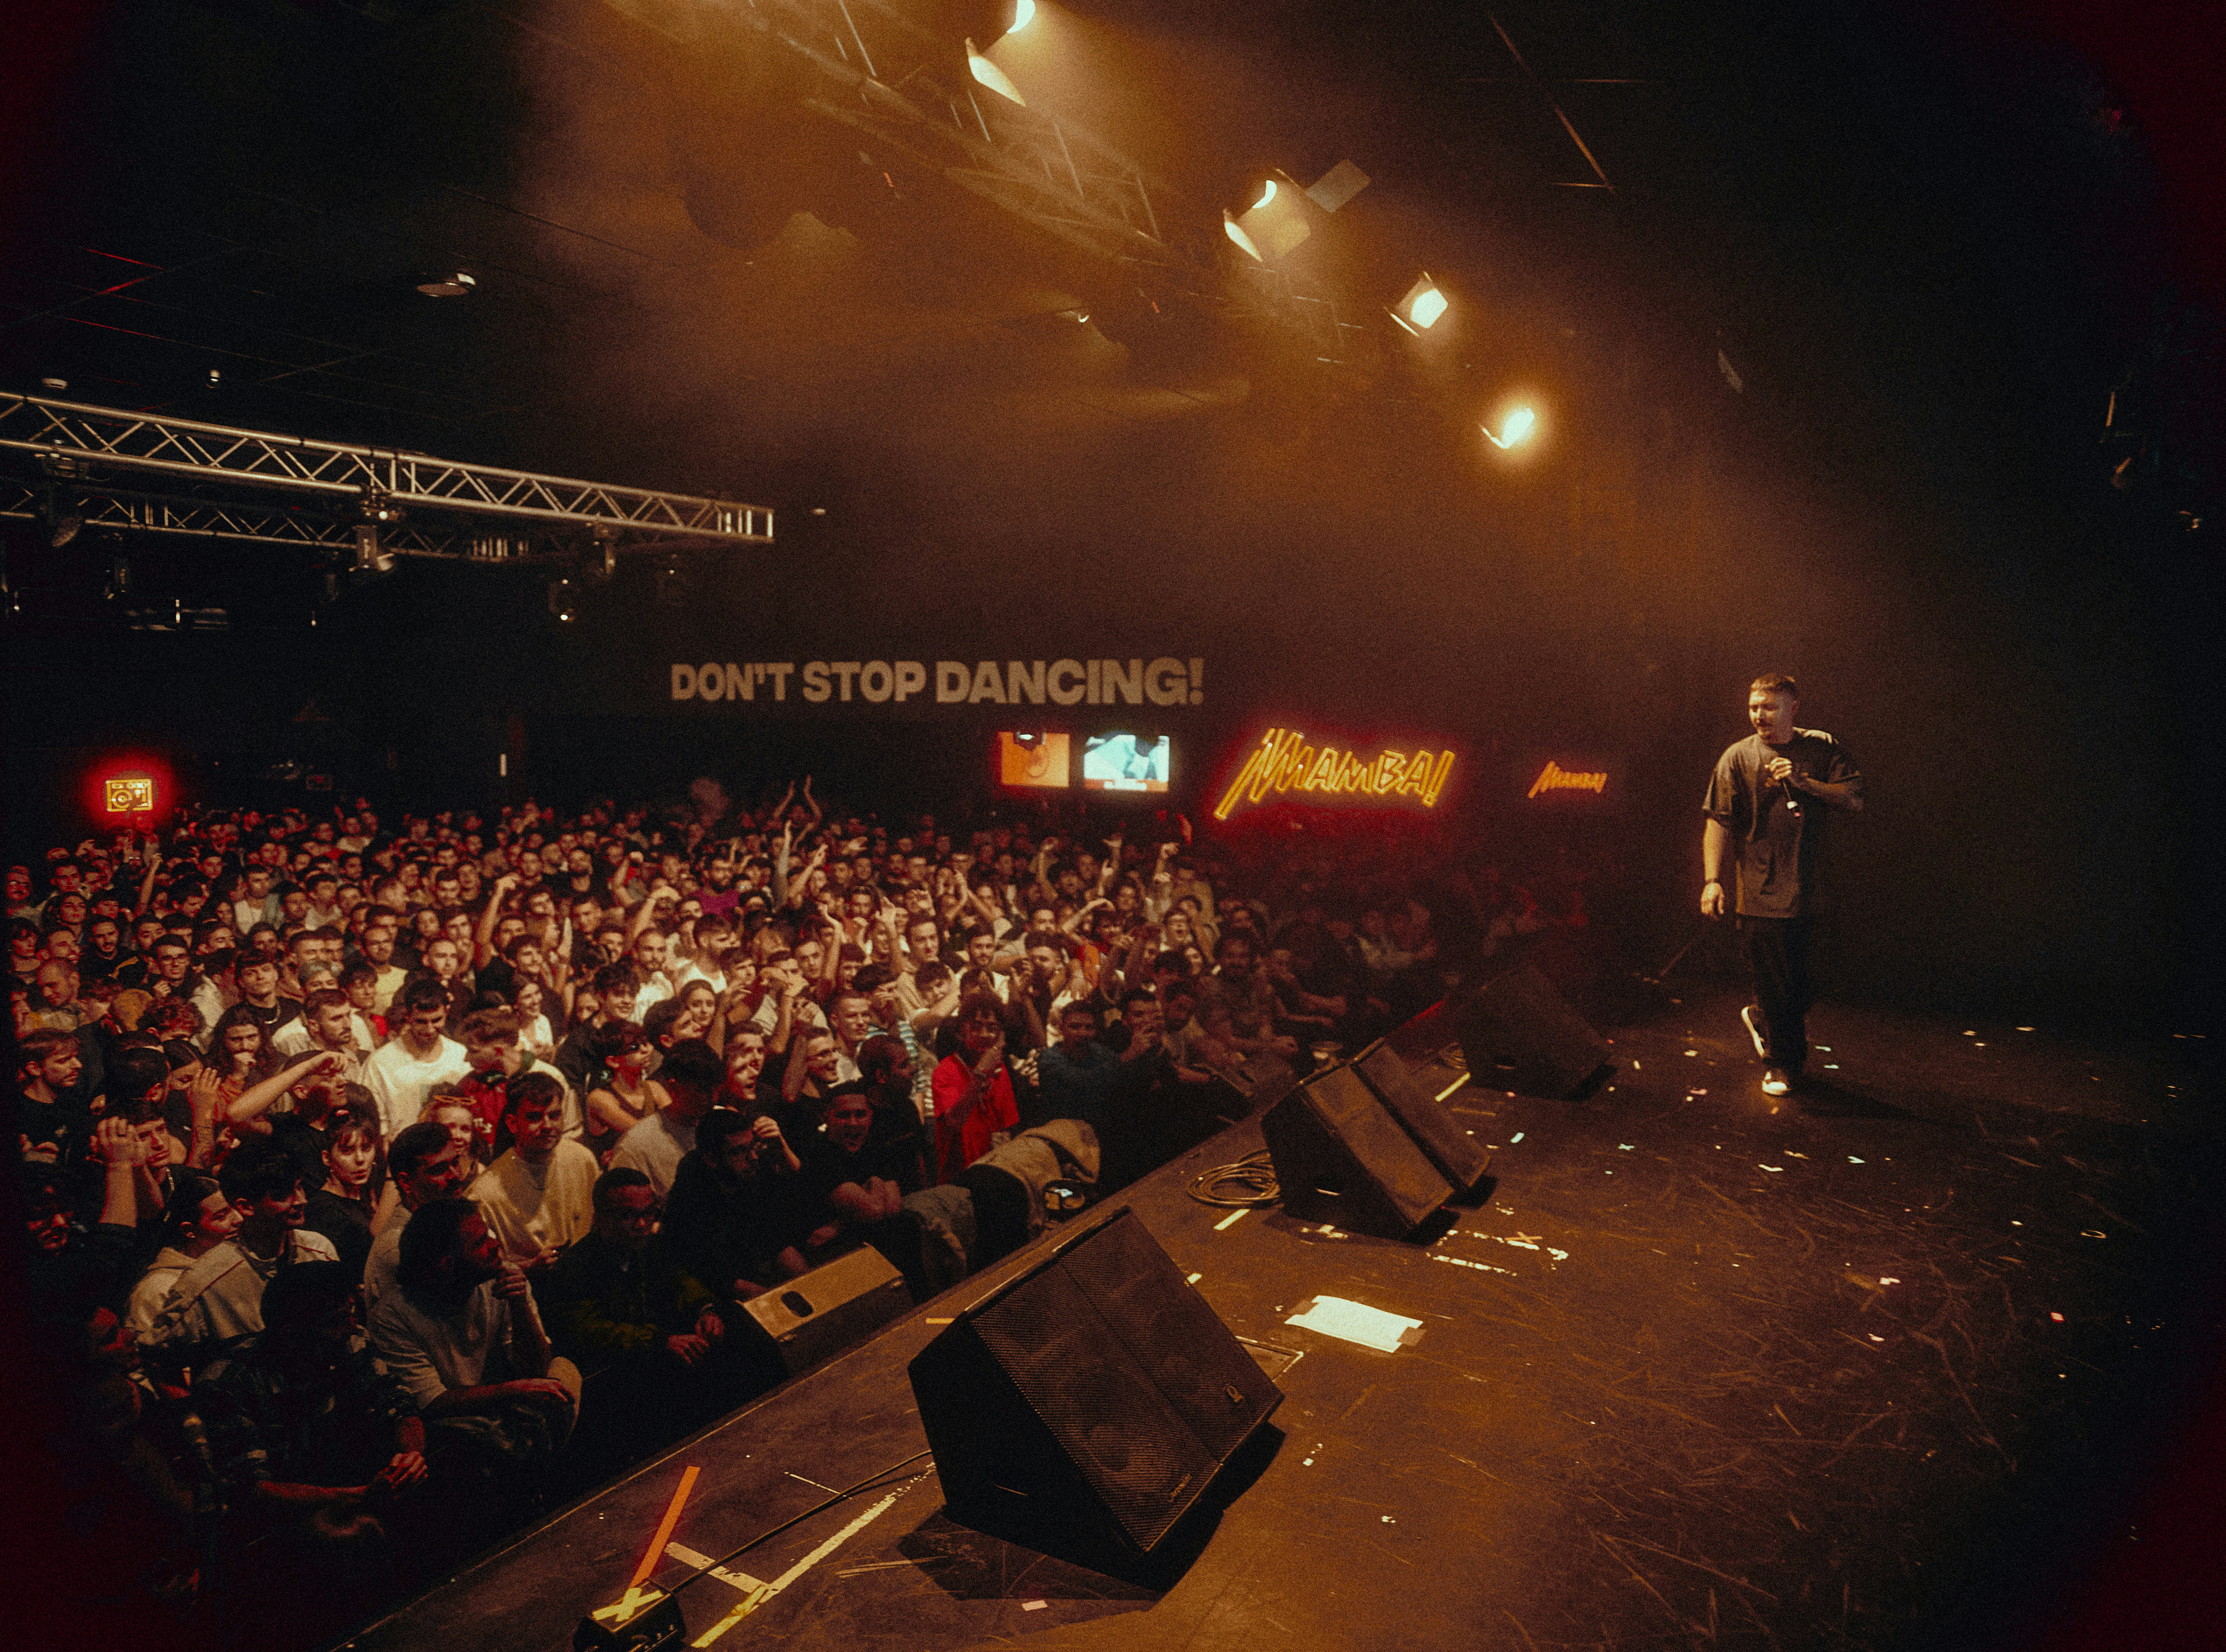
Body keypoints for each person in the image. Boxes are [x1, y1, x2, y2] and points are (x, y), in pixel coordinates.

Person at [1702, 671, 1865, 1097]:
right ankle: (1782, 1065)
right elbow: (1718, 821)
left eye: (1769, 707)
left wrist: (1804, 782)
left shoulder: (1821, 747)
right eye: (1754, 706)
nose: (1759, 715)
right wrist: (1713, 881)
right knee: (1778, 986)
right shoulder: (1736, 757)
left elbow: (1854, 799)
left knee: (1811, 981)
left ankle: (1761, 1017)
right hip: (1761, 891)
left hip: (1815, 890)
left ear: (1793, 708)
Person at [146, 1139, 342, 1363]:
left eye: (299, 1187)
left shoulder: (320, 1251)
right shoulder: (206, 1282)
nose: (301, 1200)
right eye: (283, 1194)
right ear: (246, 1206)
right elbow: (156, 1358)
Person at [468, 1072, 599, 1272]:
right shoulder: (485, 1193)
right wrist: (529, 1267)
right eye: (535, 1117)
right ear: (513, 1124)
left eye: (554, 1116)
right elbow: (479, 1266)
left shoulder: (582, 1158)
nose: (548, 1126)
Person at [608, 1037, 724, 1198]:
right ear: (674, 1087)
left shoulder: (723, 1129)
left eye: (716, 1089)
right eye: (702, 1090)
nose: (712, 1098)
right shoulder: (635, 1146)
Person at [361, 978, 472, 1140]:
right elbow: (373, 1120)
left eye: (437, 1020)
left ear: (447, 1012)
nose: (430, 1030)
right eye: (421, 1022)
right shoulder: (380, 1062)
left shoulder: (461, 1055)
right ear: (407, 1016)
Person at [931, 991, 1019, 1183]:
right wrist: (980, 1073)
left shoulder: (1000, 1068)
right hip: (960, 1177)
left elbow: (1005, 1127)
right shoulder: (946, 1070)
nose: (985, 1035)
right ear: (963, 1030)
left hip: (995, 1169)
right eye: (976, 1027)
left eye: (992, 1028)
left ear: (1000, 1033)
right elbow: (954, 1123)